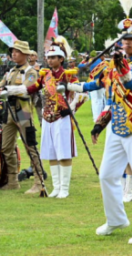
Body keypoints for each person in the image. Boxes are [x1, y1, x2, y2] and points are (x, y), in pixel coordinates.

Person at [68, 0, 132, 245]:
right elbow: (97, 85)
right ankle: (116, 219)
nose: (127, 42)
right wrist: (69, 85)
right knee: (107, 175)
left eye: (131, 39)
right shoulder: (112, 63)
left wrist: (122, 65)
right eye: (124, 39)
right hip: (115, 128)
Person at [6, 37, 84, 198]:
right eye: (48, 57)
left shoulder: (67, 75)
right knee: (51, 152)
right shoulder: (45, 74)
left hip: (59, 116)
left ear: (61, 59)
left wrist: (70, 110)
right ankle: (56, 187)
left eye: (53, 57)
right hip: (47, 118)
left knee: (63, 153)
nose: (49, 60)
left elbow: (82, 94)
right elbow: (30, 89)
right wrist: (10, 91)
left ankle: (64, 188)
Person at [0, 41, 40, 193]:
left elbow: (26, 90)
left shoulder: (31, 72)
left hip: (23, 110)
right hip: (9, 111)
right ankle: (12, 180)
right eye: (13, 51)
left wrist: (7, 89)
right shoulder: (10, 71)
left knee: (30, 146)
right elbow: (1, 85)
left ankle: (38, 181)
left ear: (25, 54)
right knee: (6, 147)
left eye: (17, 51)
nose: (14, 54)